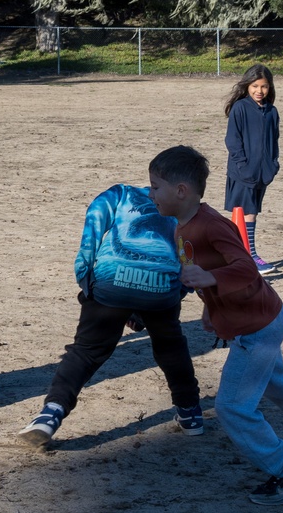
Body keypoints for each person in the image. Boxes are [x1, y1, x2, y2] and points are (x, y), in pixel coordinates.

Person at [147, 145, 283, 505]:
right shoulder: (182, 226)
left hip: (258, 327)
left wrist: (211, 280)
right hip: (257, 320)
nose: (150, 193)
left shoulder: (212, 224)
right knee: (280, 389)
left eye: (155, 186)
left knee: (232, 407)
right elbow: (204, 275)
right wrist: (211, 307)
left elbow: (246, 268)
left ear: (181, 191)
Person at [19, 183, 202, 447]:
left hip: (112, 279)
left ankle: (51, 413)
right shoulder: (185, 207)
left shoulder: (120, 194)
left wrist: (85, 278)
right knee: (171, 346)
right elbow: (191, 256)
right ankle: (190, 412)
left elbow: (93, 222)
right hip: (162, 287)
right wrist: (179, 291)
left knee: (85, 351)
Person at [223, 63, 280, 275]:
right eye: (255, 85)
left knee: (252, 212)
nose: (259, 91)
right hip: (242, 173)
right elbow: (232, 140)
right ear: (247, 85)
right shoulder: (240, 108)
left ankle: (243, 256)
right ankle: (248, 256)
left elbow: (274, 141)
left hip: (261, 174)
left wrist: (273, 165)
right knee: (246, 213)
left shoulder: (272, 112)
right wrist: (242, 166)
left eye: (264, 86)